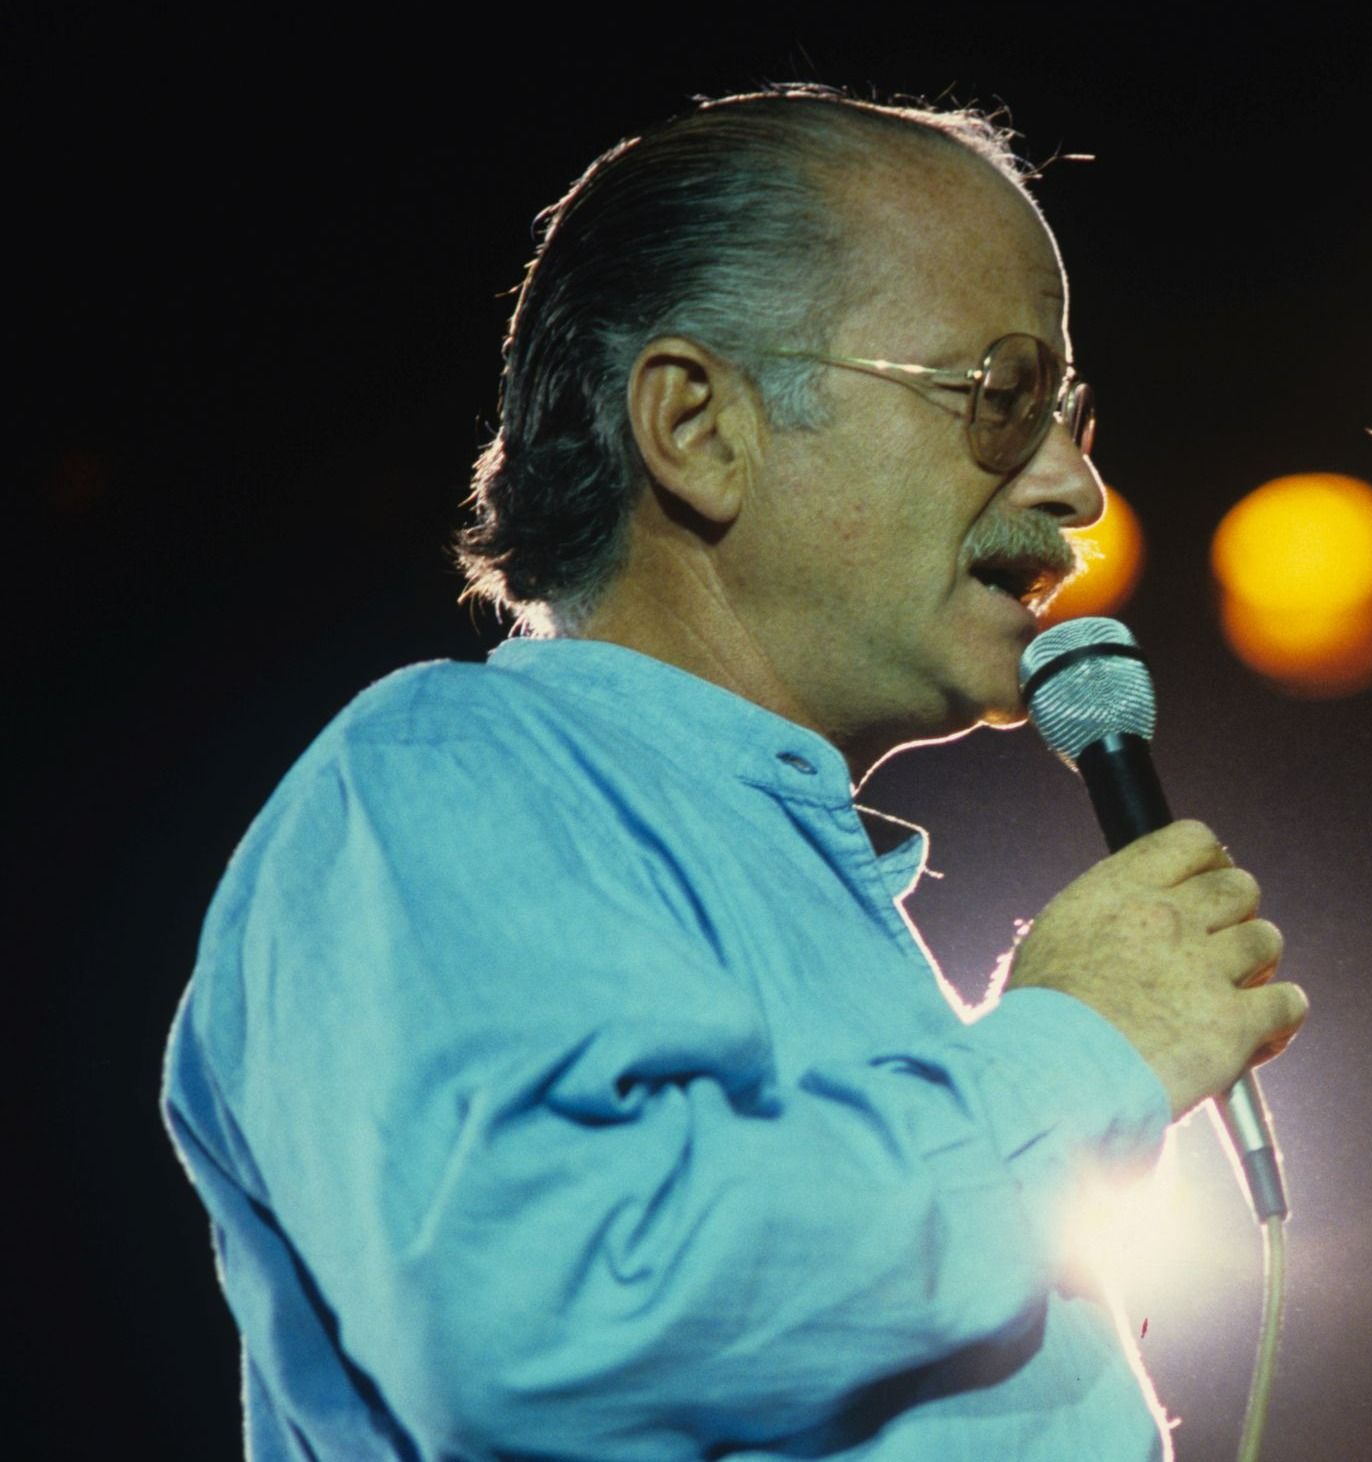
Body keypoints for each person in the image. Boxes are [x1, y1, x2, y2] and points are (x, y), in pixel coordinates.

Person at [161, 87, 1305, 1460]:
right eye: (1004, 395)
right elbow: (541, 1314)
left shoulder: (823, 910)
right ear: (700, 425)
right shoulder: (437, 771)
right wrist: (1075, 1052)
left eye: (1077, 415)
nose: (1076, 487)